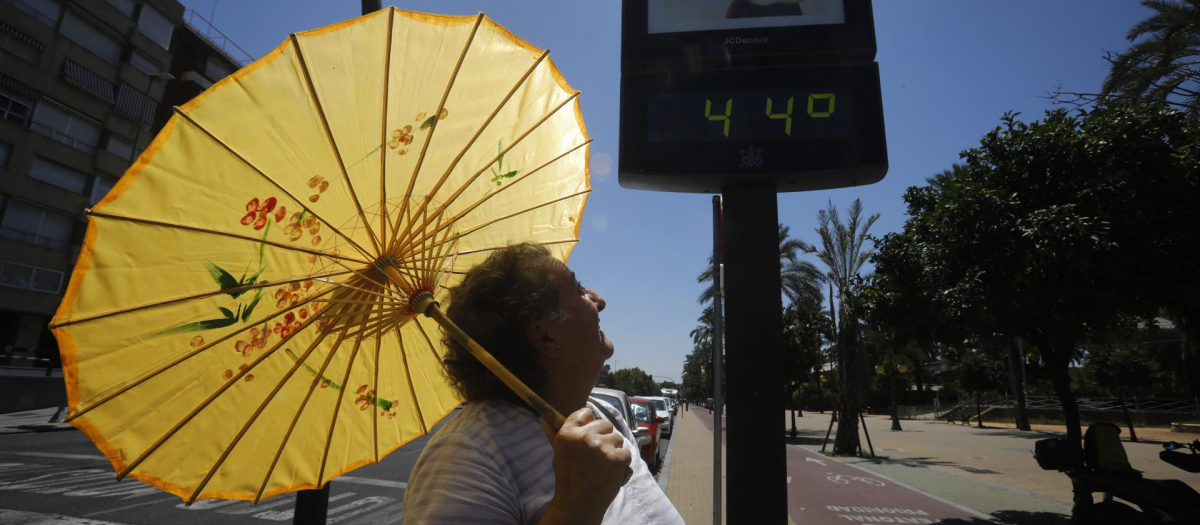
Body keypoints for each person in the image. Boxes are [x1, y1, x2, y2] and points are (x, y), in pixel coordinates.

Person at [403, 243, 684, 525]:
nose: (599, 300)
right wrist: (574, 507)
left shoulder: (601, 412)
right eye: (579, 290)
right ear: (546, 338)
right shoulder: (463, 460)